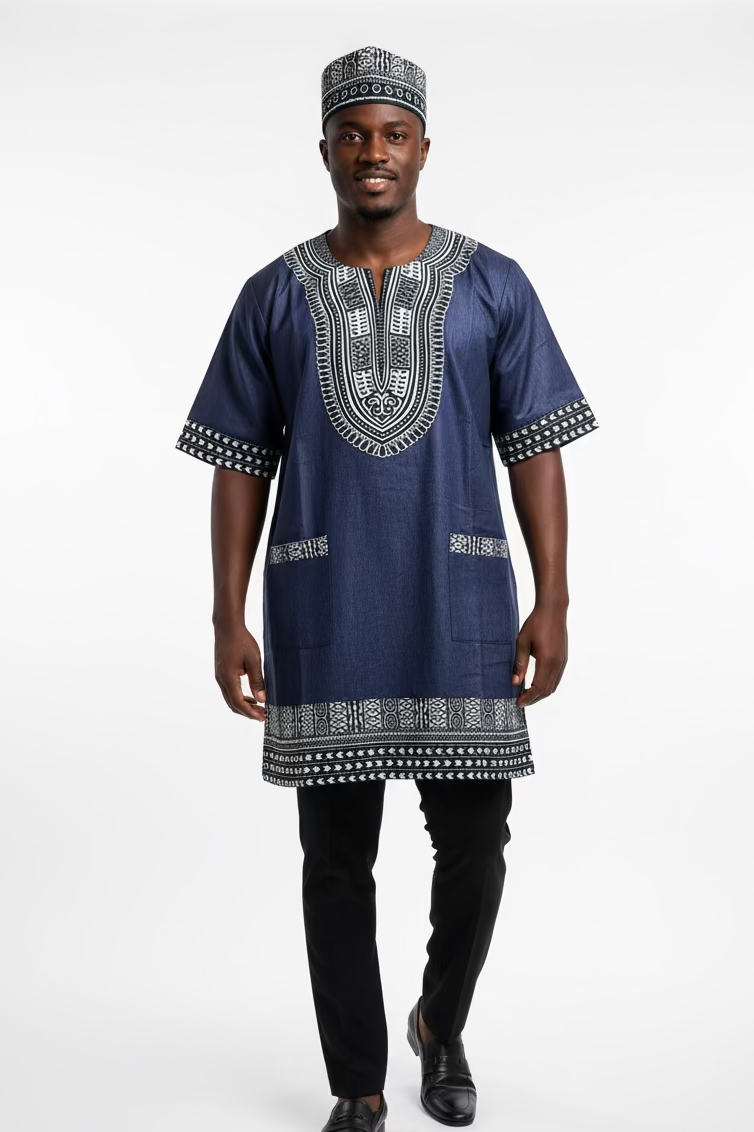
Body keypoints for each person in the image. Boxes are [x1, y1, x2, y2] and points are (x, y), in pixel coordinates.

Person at [175, 43, 598, 1132]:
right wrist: (227, 616)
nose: (374, 151)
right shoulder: (273, 294)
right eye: (354, 134)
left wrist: (553, 598)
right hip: (325, 605)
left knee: (478, 845)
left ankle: (439, 1024)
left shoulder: (493, 283)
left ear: (423, 149)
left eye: (393, 134)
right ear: (324, 151)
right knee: (334, 860)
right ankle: (357, 1082)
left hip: (461, 606)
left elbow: (536, 447)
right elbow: (238, 462)